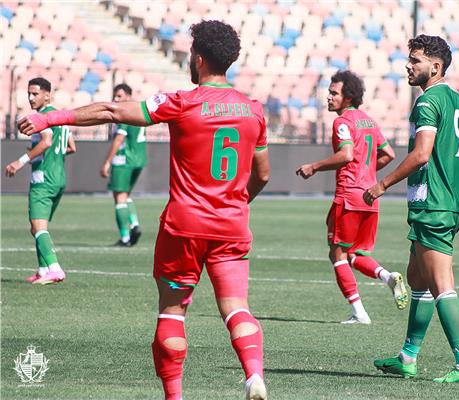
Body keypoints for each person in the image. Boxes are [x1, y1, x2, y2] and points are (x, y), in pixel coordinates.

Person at [18, 21, 270, 400]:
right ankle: (254, 376)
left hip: (183, 227)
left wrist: (49, 117)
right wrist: (234, 202)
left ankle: (174, 396)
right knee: (236, 308)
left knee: (172, 311)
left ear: (198, 58)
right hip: (231, 226)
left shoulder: (182, 102)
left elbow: (111, 110)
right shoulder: (254, 111)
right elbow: (262, 175)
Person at [365, 35, 459, 383]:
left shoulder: (427, 103)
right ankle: (407, 358)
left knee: (441, 285)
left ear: (435, 67)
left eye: (415, 60)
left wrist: (381, 185)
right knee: (417, 278)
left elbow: (421, 154)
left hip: (433, 205)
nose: (408, 65)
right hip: (449, 205)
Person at [296, 70, 408, 325]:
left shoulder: (342, 122)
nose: (329, 97)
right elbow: (388, 153)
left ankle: (359, 313)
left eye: (334, 93)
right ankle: (388, 277)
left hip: (348, 196)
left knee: (337, 254)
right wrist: (367, 172)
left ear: (348, 97)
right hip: (370, 196)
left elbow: (346, 155)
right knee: (354, 254)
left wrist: (314, 166)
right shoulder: (368, 121)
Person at [5, 77, 76, 285]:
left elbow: (46, 141)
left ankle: (54, 269)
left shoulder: (42, 116)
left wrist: (20, 161)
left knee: (38, 226)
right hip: (58, 177)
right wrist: (47, 157)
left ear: (47, 94)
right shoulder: (60, 117)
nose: (30, 97)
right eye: (29, 93)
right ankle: (43, 269)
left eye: (35, 94)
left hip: (43, 179)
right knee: (36, 227)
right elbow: (71, 147)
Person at [100, 83, 147, 247]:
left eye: (119, 96)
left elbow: (119, 139)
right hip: (139, 160)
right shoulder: (140, 109)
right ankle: (134, 224)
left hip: (124, 160)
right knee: (125, 196)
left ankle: (126, 237)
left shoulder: (126, 112)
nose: (115, 99)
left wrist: (107, 162)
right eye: (115, 96)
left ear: (128, 96)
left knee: (119, 198)